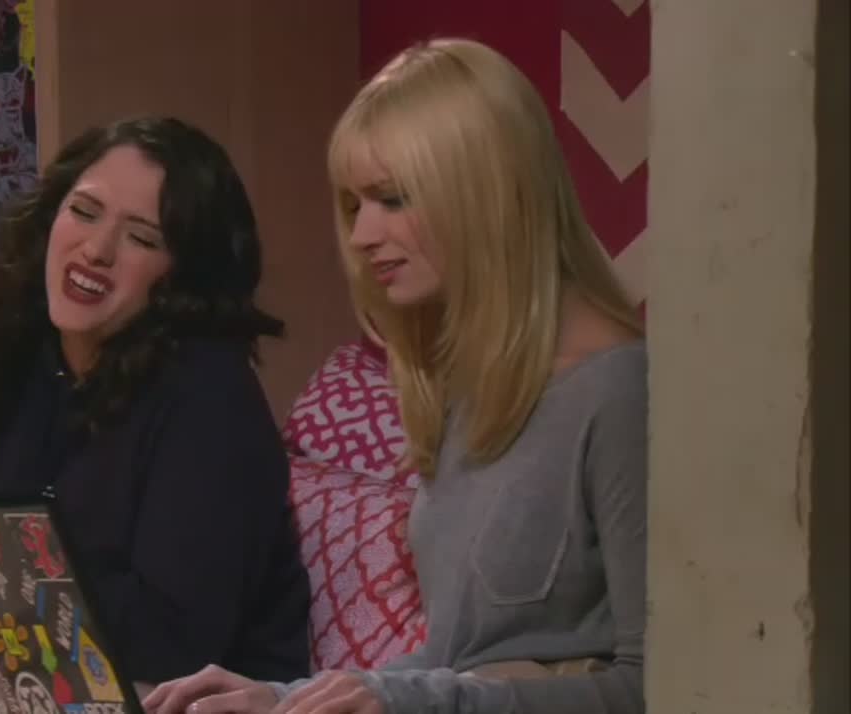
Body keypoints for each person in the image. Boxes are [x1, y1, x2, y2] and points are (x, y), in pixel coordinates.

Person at [144, 38, 647, 714]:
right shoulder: (469, 386)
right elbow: (454, 661)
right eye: (355, 206)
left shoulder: (618, 390)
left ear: (485, 193)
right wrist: (283, 699)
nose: (361, 236)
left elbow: (659, 686)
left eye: (393, 199)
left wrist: (413, 702)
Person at [0, 115, 313, 688]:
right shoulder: (0, 345)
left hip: (170, 695)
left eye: (141, 238)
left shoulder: (212, 398)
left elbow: (172, 642)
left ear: (181, 276)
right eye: (84, 211)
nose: (96, 250)